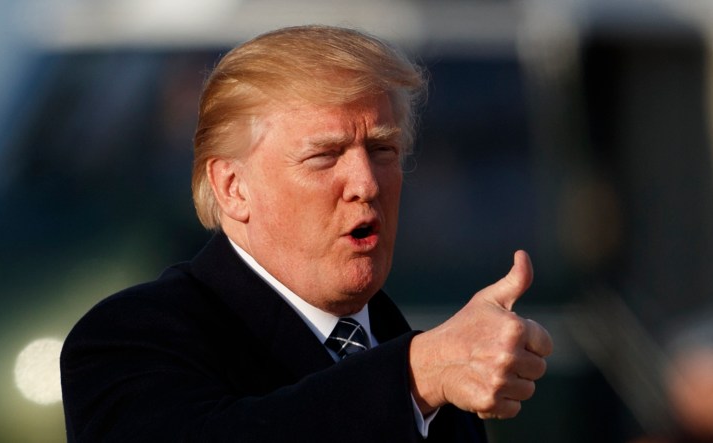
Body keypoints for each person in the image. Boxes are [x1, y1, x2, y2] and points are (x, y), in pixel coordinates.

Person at [60, 25, 553, 442]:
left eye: (383, 150)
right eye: (325, 156)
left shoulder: (409, 355)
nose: (365, 183)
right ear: (233, 188)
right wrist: (413, 376)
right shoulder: (129, 337)